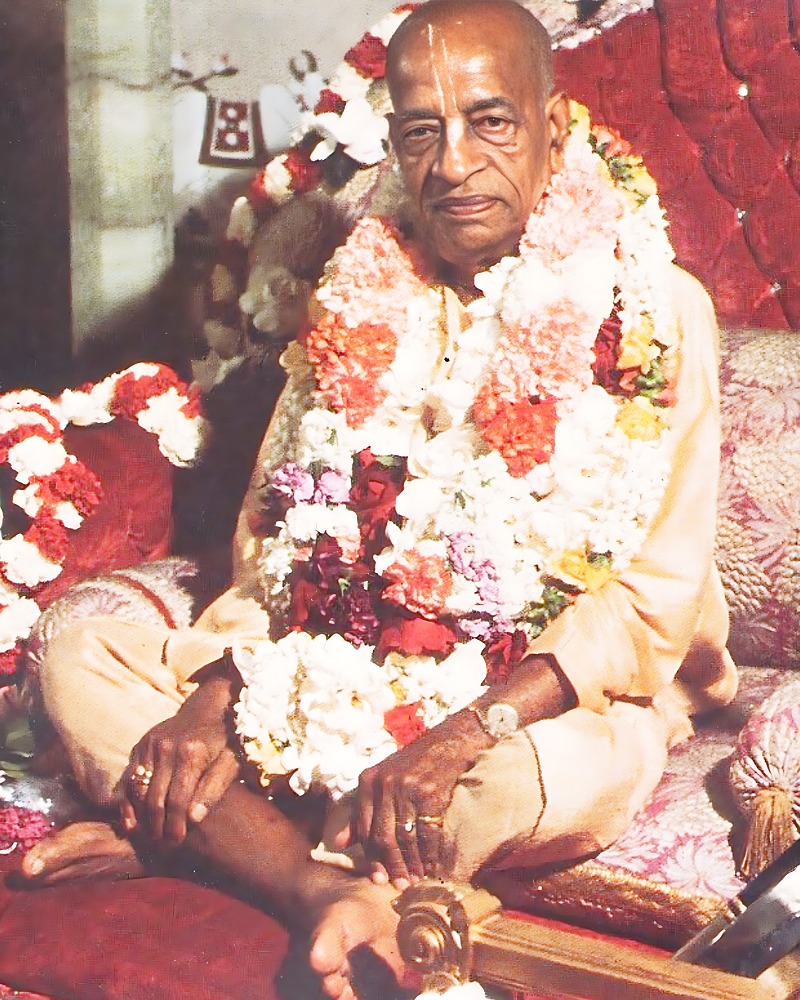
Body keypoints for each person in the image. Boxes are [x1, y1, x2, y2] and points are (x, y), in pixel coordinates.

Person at [20, 2, 737, 998]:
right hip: (338, 662)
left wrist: (462, 733)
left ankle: (197, 835)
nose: (452, 164)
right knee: (80, 654)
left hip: (543, 700)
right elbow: (274, 548)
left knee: (523, 781)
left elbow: (650, 602)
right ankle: (316, 884)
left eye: (489, 121)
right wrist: (217, 703)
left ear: (550, 124)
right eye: (420, 130)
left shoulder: (655, 308)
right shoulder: (354, 290)